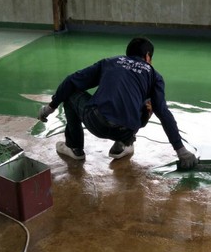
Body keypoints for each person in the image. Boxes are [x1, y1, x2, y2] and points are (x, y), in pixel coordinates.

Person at [38, 37, 198, 169]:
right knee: (148, 101)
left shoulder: (110, 62)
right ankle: (124, 143)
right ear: (148, 57)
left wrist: (50, 108)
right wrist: (180, 150)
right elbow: (163, 112)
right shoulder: (154, 75)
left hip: (97, 122)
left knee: (71, 92)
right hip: (127, 129)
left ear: (127, 54)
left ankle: (75, 148)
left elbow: (71, 81)